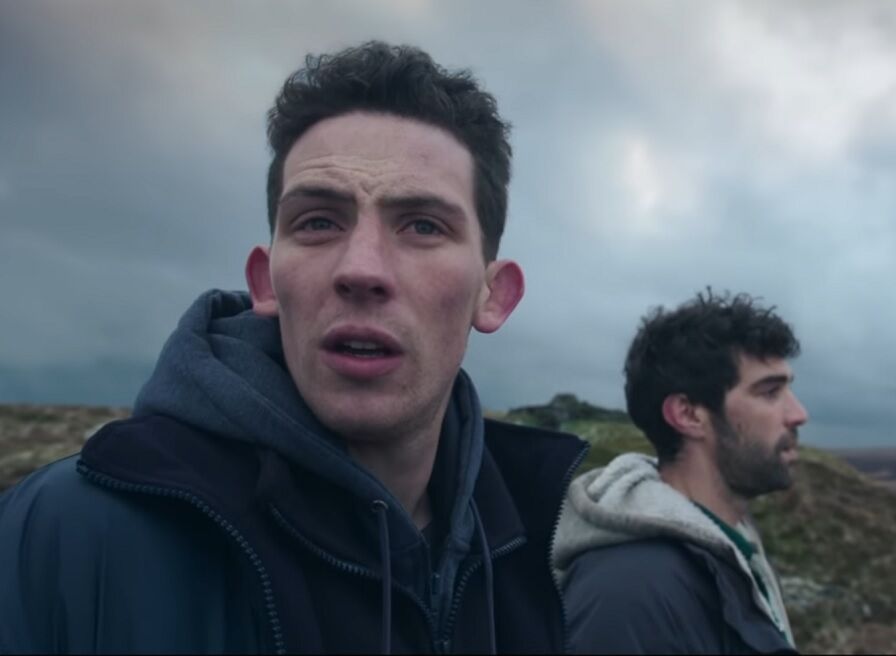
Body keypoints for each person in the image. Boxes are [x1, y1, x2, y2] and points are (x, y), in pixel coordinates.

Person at [0, 41, 588, 654]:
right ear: (265, 283)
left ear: (494, 295)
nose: (361, 269)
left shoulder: (541, 553)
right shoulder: (65, 533)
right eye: (318, 222)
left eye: (422, 226)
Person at [553, 290, 808, 654]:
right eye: (769, 392)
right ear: (688, 415)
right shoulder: (629, 594)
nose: (799, 414)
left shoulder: (735, 550)